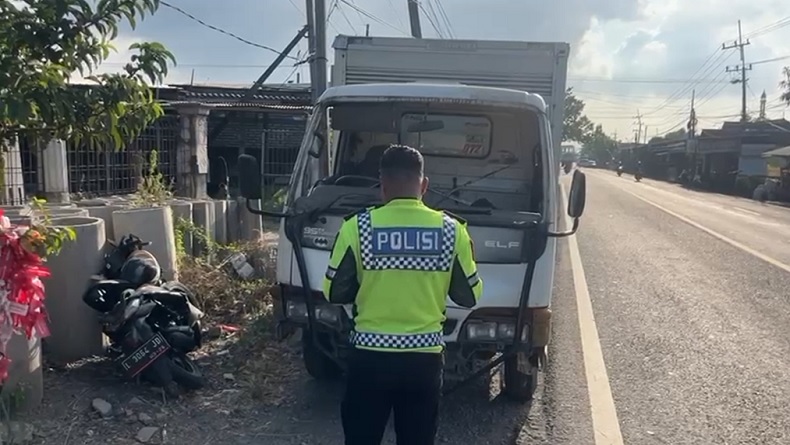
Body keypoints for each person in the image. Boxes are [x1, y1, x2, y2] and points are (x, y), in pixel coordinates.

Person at [322, 144, 483, 445]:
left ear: (382, 186)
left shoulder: (358, 227)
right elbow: (469, 296)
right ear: (424, 185)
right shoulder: (452, 231)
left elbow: (334, 291)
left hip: (369, 359)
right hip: (423, 361)